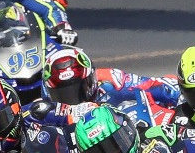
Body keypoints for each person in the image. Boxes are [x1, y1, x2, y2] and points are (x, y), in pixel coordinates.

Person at [42, 46, 180, 116]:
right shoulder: (45, 115)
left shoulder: (111, 79)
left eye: (78, 90)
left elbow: (154, 84)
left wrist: (174, 96)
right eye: (63, 95)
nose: (72, 101)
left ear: (91, 81)